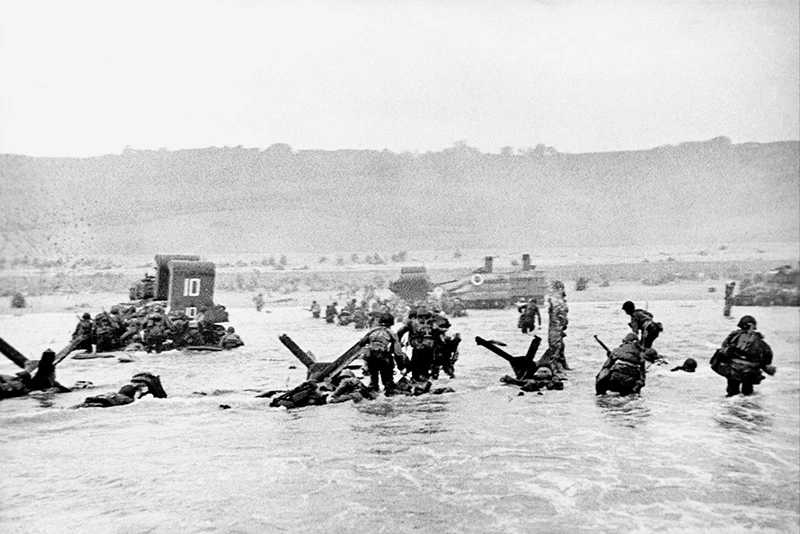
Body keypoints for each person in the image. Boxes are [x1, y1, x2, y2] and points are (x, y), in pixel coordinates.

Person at [711, 315, 776, 396]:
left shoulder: (733, 337)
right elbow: (768, 356)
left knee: (732, 393)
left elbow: (724, 350)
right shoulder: (759, 340)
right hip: (750, 373)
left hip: (733, 371)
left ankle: (731, 405)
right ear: (753, 326)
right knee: (748, 393)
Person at [359, 312, 407, 395]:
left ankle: (373, 391)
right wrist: (401, 367)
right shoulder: (391, 333)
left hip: (371, 359)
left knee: (373, 381)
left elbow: (361, 343)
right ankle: (388, 391)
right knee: (388, 383)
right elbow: (398, 352)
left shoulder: (372, 331)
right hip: (384, 360)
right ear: (391, 323)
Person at [397, 304, 445, 382]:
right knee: (426, 367)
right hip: (429, 349)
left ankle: (418, 379)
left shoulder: (412, 322)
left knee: (416, 368)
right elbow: (440, 332)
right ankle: (427, 378)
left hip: (418, 349)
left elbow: (400, 331)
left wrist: (398, 342)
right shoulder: (432, 323)